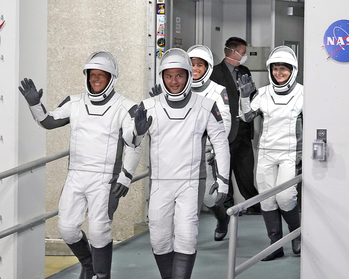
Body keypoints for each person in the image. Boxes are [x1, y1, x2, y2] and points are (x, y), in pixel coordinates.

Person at [18, 51, 142, 279]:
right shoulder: (74, 102)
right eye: (91, 75)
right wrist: (35, 104)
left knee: (98, 231)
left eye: (101, 75)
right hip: (75, 176)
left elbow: (133, 143)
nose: (95, 79)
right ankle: (89, 265)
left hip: (106, 179)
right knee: (66, 228)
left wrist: (126, 176)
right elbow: (49, 121)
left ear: (111, 78)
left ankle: (102, 275)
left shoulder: (126, 107)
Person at [132, 48, 230, 279]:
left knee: (186, 238)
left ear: (188, 76)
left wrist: (223, 181)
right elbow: (131, 141)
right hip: (159, 184)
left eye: (179, 75)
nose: (174, 81)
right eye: (169, 76)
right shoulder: (148, 105)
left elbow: (221, 144)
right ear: (162, 77)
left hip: (189, 182)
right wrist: (137, 132)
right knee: (159, 239)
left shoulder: (206, 105)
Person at [238, 45, 303, 261]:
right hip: (266, 153)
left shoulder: (303, 93)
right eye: (275, 69)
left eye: (284, 69)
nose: (279, 73)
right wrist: (244, 97)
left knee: (285, 198)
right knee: (267, 200)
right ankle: (275, 244)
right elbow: (247, 117)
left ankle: (296, 234)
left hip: (290, 154)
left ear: (292, 70)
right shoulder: (264, 93)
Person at [210, 37, 261, 214]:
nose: (244, 56)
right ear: (233, 52)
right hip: (225, 131)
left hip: (244, 131)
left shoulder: (245, 70)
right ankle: (227, 207)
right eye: (243, 52)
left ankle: (255, 206)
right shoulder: (215, 73)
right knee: (225, 169)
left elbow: (252, 96)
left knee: (246, 170)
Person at [187, 45, 231, 241]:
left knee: (207, 197)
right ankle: (186, 238)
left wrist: (214, 148)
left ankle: (222, 219)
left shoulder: (218, 91)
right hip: (181, 152)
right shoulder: (180, 88)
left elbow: (225, 122)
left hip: (205, 152)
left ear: (208, 67)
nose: (195, 69)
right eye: (191, 64)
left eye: (199, 65)